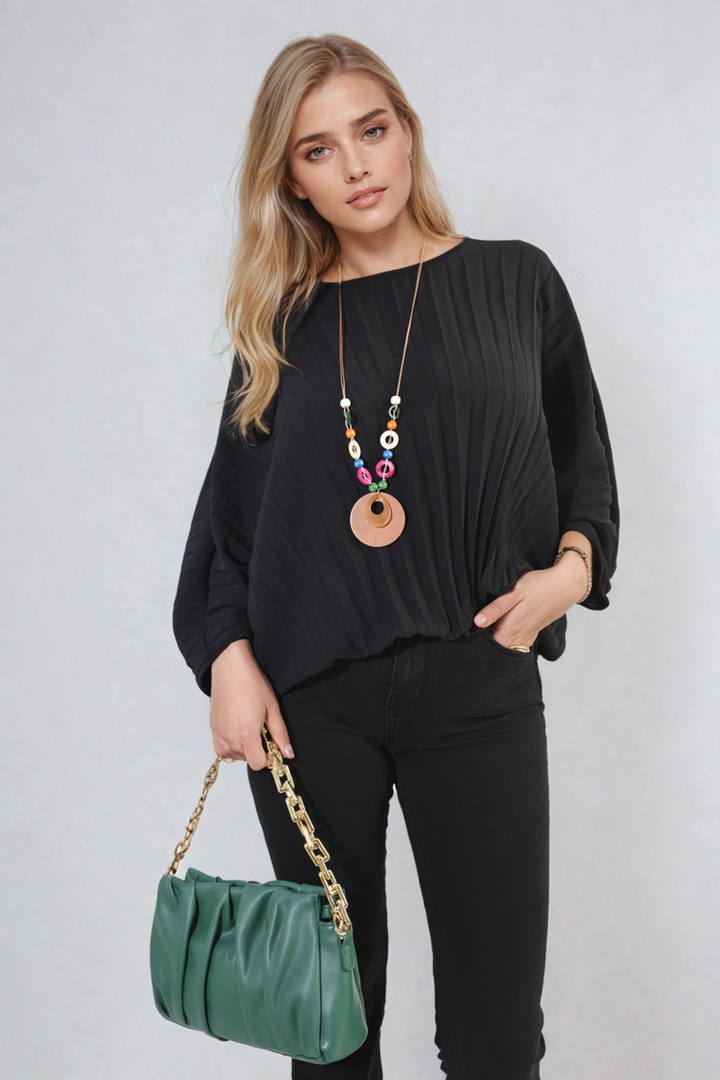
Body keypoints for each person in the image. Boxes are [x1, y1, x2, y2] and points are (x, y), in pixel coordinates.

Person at [172, 33, 619, 1080]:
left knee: (496, 1038)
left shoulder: (514, 281)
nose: (357, 166)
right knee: (326, 1027)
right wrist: (228, 658)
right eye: (319, 150)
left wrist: (570, 572)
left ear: (407, 131)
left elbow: (583, 460)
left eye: (371, 130)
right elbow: (231, 525)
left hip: (476, 681)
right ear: (292, 179)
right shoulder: (281, 325)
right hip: (308, 702)